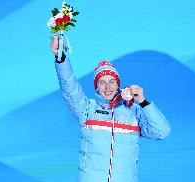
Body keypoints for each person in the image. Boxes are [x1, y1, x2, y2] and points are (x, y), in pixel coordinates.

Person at [50, 35, 171, 182]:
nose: (107, 87)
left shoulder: (134, 111)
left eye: (112, 82)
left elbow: (162, 132)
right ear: (96, 87)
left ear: (118, 84)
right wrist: (61, 58)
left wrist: (143, 102)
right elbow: (70, 89)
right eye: (102, 83)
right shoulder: (87, 109)